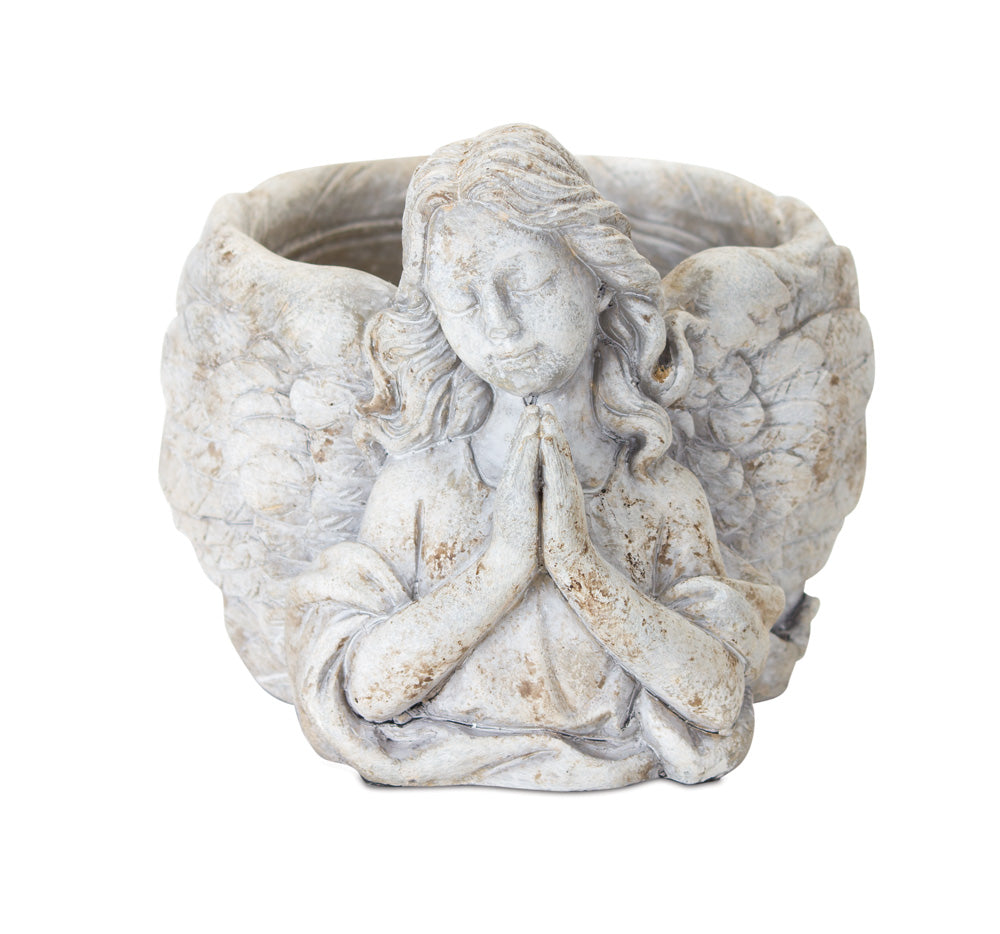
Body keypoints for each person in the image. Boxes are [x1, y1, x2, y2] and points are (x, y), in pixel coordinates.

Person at [286, 125, 784, 789]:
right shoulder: (418, 492)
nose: (499, 325)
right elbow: (367, 691)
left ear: (598, 277)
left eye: (526, 282)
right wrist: (503, 567)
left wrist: (580, 567)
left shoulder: (658, 493)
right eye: (462, 297)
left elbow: (718, 697)